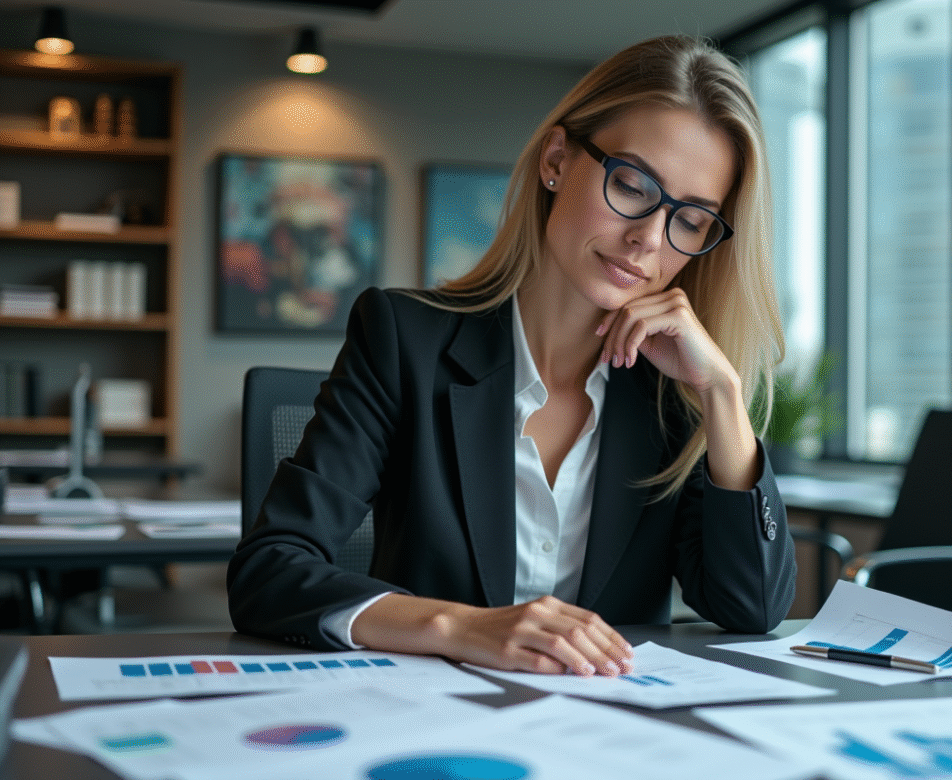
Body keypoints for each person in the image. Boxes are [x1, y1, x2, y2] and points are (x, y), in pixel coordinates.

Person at [228, 34, 796, 678]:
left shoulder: (677, 396)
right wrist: (457, 626)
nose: (647, 238)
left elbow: (751, 608)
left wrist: (723, 393)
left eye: (690, 220)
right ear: (558, 159)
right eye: (634, 184)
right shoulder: (403, 338)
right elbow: (268, 571)